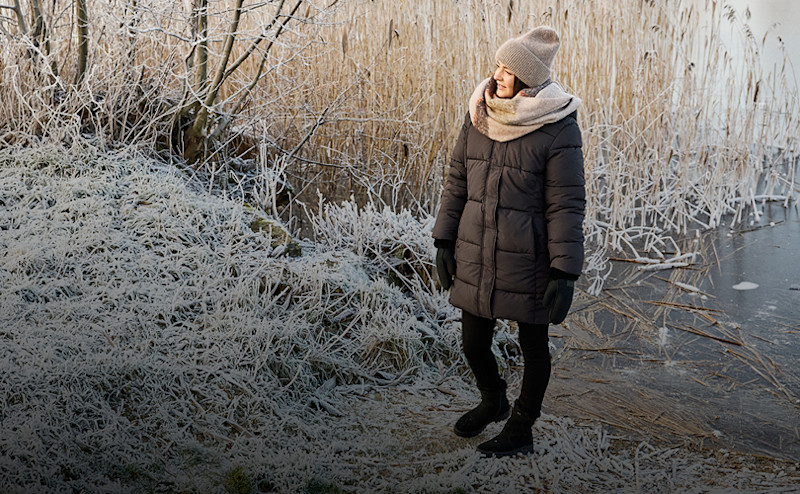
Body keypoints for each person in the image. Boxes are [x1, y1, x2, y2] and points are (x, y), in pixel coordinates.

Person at [432, 26, 585, 458]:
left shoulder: (557, 127)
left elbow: (566, 205)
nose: (497, 75)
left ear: (528, 77)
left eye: (508, 69)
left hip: (529, 257)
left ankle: (521, 426)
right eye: (497, 65)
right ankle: (493, 400)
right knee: (472, 342)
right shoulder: (480, 112)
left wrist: (564, 271)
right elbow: (457, 180)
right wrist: (444, 238)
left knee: (533, 347)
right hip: (477, 249)